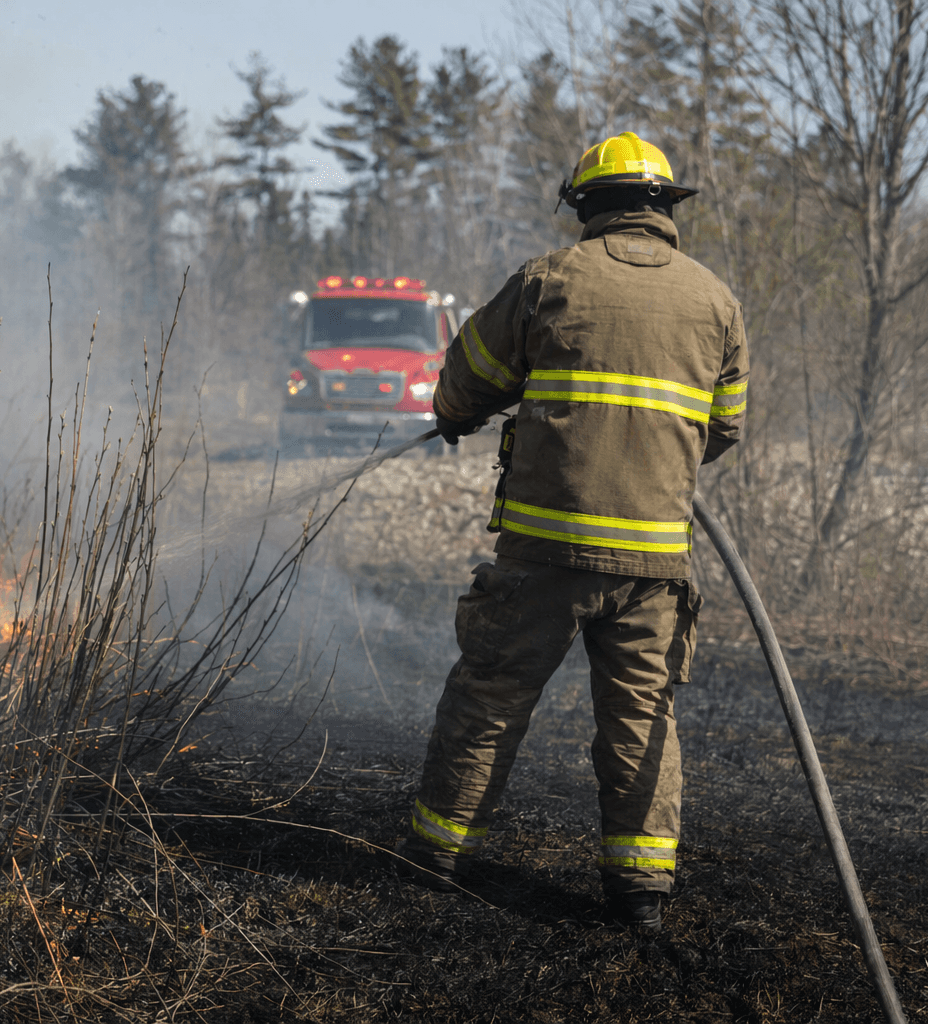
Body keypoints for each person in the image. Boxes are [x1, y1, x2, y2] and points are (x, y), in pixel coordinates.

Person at [398, 131, 748, 933]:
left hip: (546, 556)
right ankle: (641, 891)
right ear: (663, 207)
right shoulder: (716, 301)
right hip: (656, 559)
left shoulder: (546, 281)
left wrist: (459, 418)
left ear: (587, 206)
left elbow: (464, 382)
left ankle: (436, 855)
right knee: (642, 715)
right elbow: (724, 428)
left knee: (491, 693)